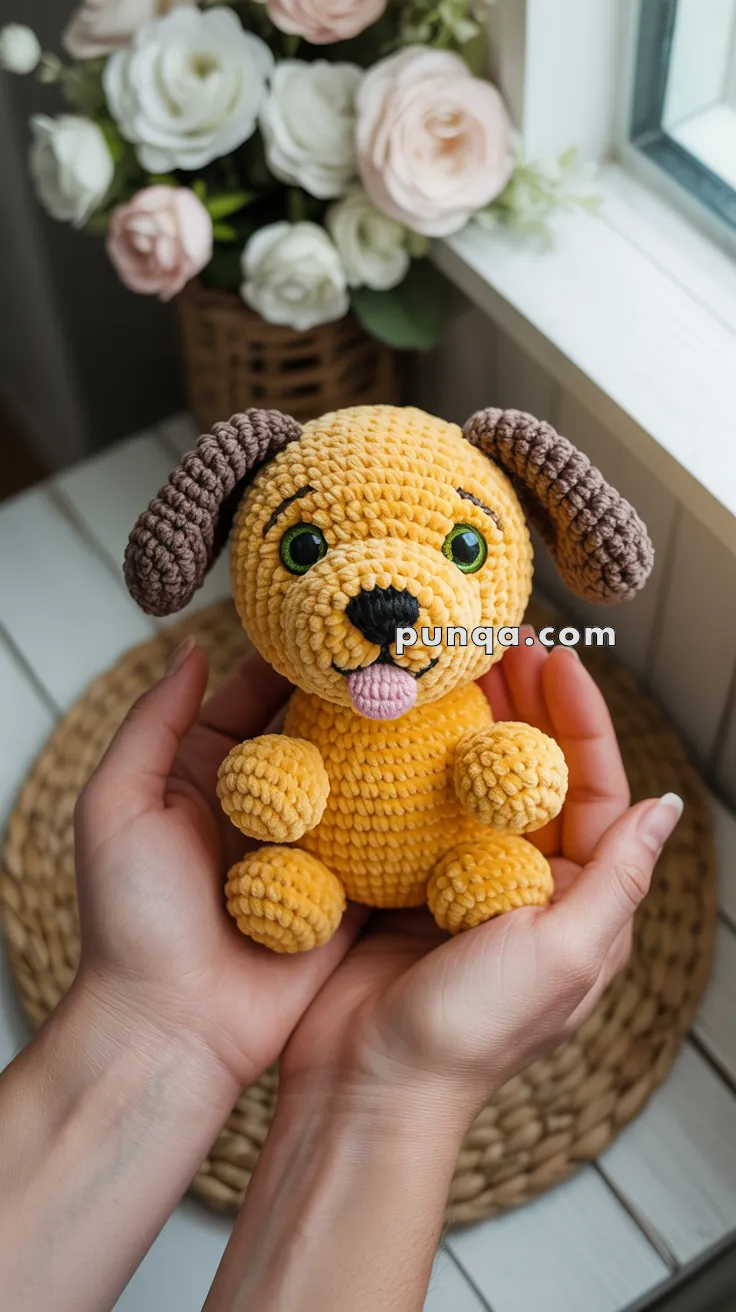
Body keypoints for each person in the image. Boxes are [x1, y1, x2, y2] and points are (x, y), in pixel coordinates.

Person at [0, 629, 682, 1312]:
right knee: (275, 847)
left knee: (505, 812)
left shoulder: (460, 706)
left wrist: (153, 1025)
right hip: (317, 864)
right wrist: (155, 1013)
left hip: (456, 861)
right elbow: (274, 782)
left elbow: (515, 781)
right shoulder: (316, 708)